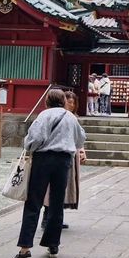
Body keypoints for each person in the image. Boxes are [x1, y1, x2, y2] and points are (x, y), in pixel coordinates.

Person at [9, 88, 86, 258]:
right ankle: (53, 244)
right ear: (63, 101)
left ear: (47, 101)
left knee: (34, 202)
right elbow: (80, 139)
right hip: (64, 161)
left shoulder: (44, 115)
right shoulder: (70, 117)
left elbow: (33, 139)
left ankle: (25, 248)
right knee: (56, 203)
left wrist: (31, 146)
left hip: (43, 160)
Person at [41, 90, 86, 231]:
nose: (71, 105)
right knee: (52, 189)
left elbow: (79, 138)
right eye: (69, 102)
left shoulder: (71, 117)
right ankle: (47, 218)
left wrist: (82, 150)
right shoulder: (58, 117)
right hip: (62, 155)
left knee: (61, 189)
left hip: (67, 155)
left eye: (73, 103)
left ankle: (55, 219)